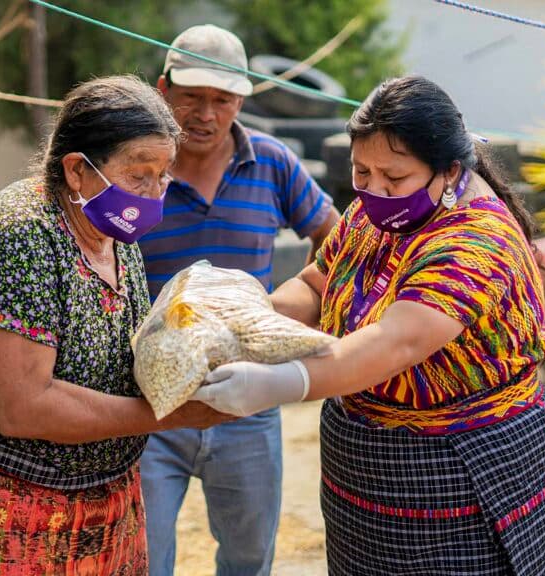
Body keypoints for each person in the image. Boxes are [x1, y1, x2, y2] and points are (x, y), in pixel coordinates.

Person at [193, 76, 545, 575]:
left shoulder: (479, 241)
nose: (374, 188)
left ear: (449, 171)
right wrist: (251, 320)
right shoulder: (374, 214)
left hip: (464, 467)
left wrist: (282, 382)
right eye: (361, 171)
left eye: (394, 177)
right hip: (368, 471)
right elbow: (315, 283)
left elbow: (395, 343)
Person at [0, 75, 233, 575]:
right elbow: (22, 407)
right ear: (77, 170)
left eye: (163, 175)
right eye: (140, 175)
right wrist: (173, 415)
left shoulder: (114, 236)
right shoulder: (21, 236)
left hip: (96, 509)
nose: (155, 192)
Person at [138, 24, 341, 576]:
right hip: (149, 403)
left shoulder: (272, 162)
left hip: (249, 400)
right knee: (145, 558)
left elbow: (338, 240)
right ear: (164, 91)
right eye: (192, 98)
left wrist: (295, 306)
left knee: (249, 560)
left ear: (242, 100)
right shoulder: (140, 166)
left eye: (222, 99)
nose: (205, 114)